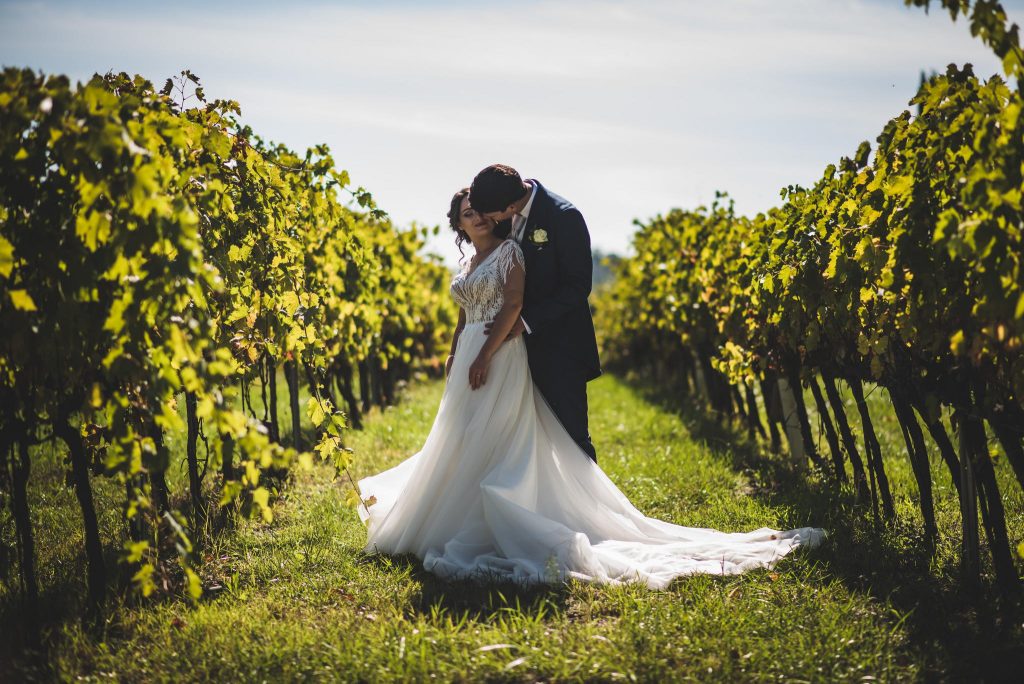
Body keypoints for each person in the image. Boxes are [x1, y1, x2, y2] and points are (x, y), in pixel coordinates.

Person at [355, 184, 825, 588]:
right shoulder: (470, 257)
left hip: (515, 349)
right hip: (476, 353)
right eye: (469, 212)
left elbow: (555, 292)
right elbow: (465, 312)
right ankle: (455, 514)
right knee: (461, 438)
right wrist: (459, 350)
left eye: (482, 209)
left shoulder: (545, 226)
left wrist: (488, 349)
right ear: (460, 223)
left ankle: (568, 517)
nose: (481, 217)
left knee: (535, 439)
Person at [469, 164, 600, 462]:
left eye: (493, 215)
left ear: (512, 206)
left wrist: (525, 321)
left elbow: (578, 286)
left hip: (559, 346)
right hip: (513, 352)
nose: (489, 221)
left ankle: (585, 508)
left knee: (571, 435)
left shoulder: (563, 216)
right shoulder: (501, 208)